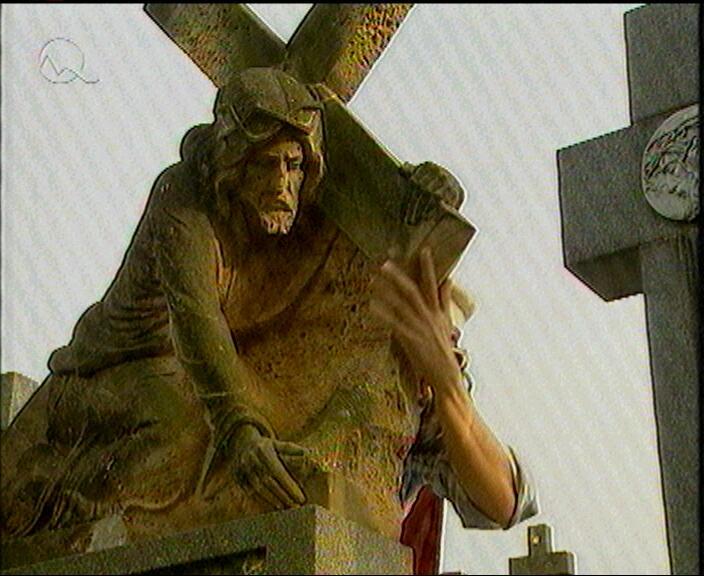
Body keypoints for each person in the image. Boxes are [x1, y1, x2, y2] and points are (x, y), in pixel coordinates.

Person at [1, 67, 537, 553]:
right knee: (186, 427)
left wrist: (445, 380)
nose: (282, 184)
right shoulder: (207, 212)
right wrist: (241, 432)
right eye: (266, 164)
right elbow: (200, 326)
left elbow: (505, 500)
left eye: (293, 165)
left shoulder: (405, 381)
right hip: (116, 380)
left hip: (304, 488)